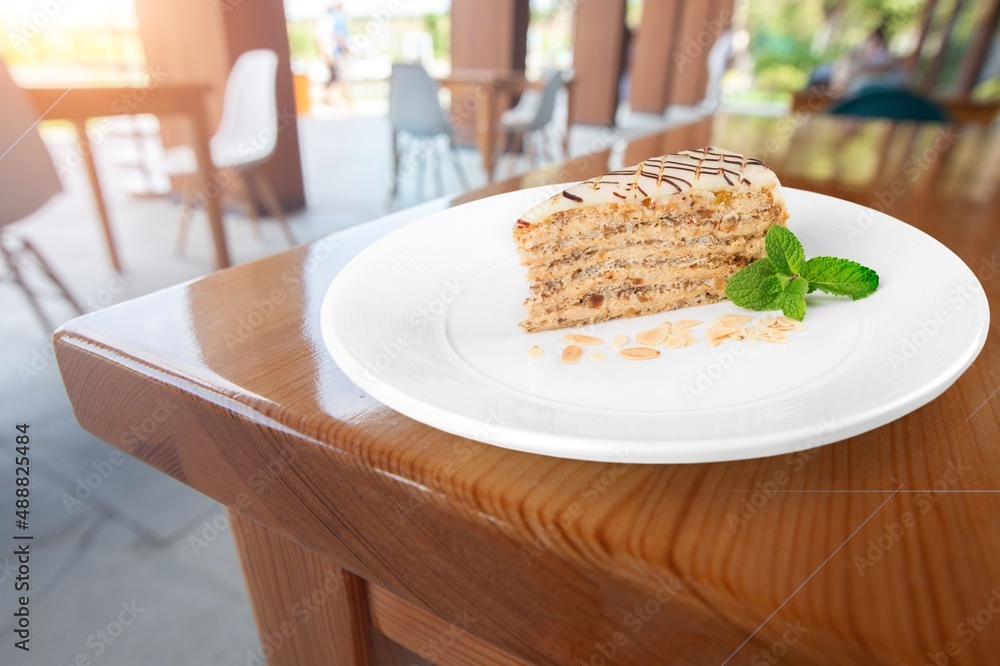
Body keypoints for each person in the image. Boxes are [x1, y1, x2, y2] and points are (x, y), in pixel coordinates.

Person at [830, 24, 910, 95]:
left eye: (877, 44)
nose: (874, 47)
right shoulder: (851, 58)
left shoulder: (889, 63)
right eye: (872, 42)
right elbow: (839, 84)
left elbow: (902, 83)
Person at [316, 3, 353, 106]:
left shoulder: (327, 18)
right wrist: (345, 50)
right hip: (335, 54)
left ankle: (329, 98)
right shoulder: (335, 18)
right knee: (342, 77)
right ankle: (348, 101)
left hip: (331, 53)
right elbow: (338, 36)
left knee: (335, 77)